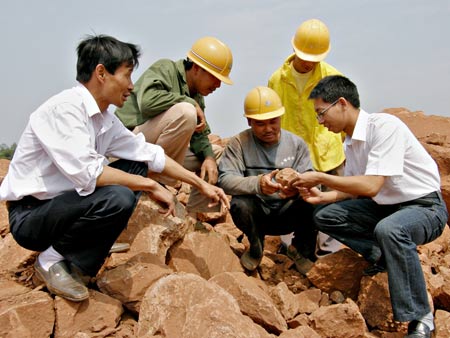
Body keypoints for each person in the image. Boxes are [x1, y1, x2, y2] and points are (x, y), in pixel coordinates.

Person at [0, 35, 229, 303]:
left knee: (136, 165)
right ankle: (52, 260)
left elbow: (149, 153)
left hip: (66, 206)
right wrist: (152, 185)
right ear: (101, 73)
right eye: (127, 75)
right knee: (118, 195)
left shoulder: (105, 119)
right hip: (32, 216)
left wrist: (200, 184)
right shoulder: (65, 110)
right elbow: (90, 173)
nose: (131, 87)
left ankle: (90, 245)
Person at [293, 75, 447, 338]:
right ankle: (383, 255)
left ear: (342, 103)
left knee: (390, 229)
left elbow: (372, 186)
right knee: (325, 216)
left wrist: (320, 177)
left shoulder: (384, 127)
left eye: (321, 113)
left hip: (424, 208)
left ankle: (420, 318)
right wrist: (322, 198)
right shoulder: (350, 143)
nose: (321, 122)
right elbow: (352, 190)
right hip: (387, 210)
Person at [115, 36, 233, 212]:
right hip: (128, 145)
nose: (217, 85)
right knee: (186, 112)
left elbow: (200, 135)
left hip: (156, 151)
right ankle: (154, 181)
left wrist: (208, 157)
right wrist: (188, 102)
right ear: (197, 68)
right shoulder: (166, 68)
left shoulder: (197, 95)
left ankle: (196, 215)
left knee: (216, 155)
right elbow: (147, 103)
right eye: (215, 77)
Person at [217, 86, 317, 274]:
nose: (268, 129)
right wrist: (258, 184)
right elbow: (225, 179)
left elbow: (314, 182)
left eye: (273, 122)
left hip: (288, 212)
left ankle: (301, 250)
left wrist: (296, 188)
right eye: (261, 124)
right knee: (240, 203)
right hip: (258, 214)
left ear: (281, 118)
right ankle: (256, 245)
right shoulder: (239, 143)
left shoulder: (296, 144)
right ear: (249, 121)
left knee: (315, 202)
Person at [268, 18, 345, 255]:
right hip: (293, 156)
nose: (308, 63)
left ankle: (328, 259)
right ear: (294, 49)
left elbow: (344, 118)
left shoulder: (333, 78)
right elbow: (270, 117)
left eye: (315, 59)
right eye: (305, 56)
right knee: (293, 205)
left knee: (331, 207)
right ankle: (292, 252)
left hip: (328, 155)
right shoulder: (277, 80)